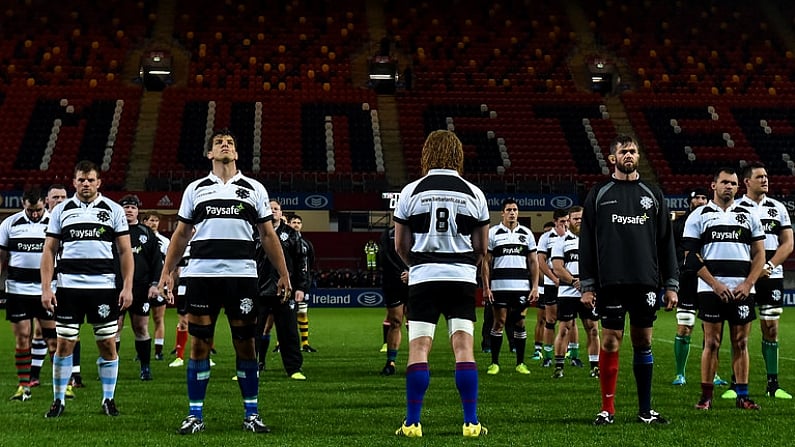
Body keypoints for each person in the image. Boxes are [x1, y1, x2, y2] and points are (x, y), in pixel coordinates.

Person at [157, 128, 291, 435]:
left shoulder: (254, 189)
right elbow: (180, 234)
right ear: (210, 153)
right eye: (219, 143)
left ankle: (252, 415)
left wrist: (284, 273)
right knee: (199, 344)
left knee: (246, 346)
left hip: (242, 276)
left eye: (230, 142)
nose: (225, 145)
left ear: (237, 153)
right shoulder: (196, 189)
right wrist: (167, 271)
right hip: (202, 275)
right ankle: (194, 416)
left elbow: (268, 235)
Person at [393, 129, 490, 438]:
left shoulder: (411, 191)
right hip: (461, 277)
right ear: (457, 155)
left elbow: (399, 244)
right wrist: (464, 266)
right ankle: (471, 422)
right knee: (463, 348)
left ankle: (412, 423)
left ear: (427, 154)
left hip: (423, 278)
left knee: (419, 348)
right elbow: (482, 247)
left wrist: (418, 267)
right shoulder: (474, 192)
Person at [579, 134, 678, 425]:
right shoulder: (599, 193)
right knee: (610, 341)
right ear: (612, 158)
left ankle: (645, 410)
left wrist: (671, 284)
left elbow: (666, 243)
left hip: (645, 281)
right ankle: (607, 409)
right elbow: (586, 242)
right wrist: (587, 284)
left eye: (633, 151)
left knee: (643, 341)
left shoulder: (653, 194)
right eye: (623, 151)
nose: (629, 155)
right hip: (610, 281)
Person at [41, 160, 134, 418]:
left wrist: (127, 287)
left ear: (98, 182)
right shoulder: (61, 211)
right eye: (81, 179)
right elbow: (49, 250)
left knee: (107, 344)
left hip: (103, 288)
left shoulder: (113, 210)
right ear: (74, 182)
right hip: (68, 289)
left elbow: (125, 251)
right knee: (64, 345)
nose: (86, 184)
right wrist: (47, 288)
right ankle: (59, 400)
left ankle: (108, 399)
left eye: (90, 179)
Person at [684, 167, 766, 410]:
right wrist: (715, 284)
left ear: (738, 187)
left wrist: (748, 283)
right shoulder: (699, 215)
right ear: (713, 185)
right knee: (712, 342)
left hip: (743, 290)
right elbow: (690, 256)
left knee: (741, 342)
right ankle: (706, 397)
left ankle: (743, 395)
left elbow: (760, 254)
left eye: (733, 183)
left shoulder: (748, 215)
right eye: (724, 182)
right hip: (710, 290)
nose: (729, 187)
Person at [723, 162, 793, 399]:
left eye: (766, 176)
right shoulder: (736, 208)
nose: (765, 180)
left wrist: (770, 266)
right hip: (744, 278)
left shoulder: (778, 208)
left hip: (771, 277)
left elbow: (788, 243)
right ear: (747, 182)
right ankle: (736, 384)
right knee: (740, 331)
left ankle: (773, 385)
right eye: (760, 177)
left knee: (771, 328)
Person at [0, 189, 56, 402]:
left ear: (44, 204)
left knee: (53, 340)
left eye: (38, 210)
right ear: (23, 204)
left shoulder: (54, 222)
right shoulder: (10, 224)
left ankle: (61, 386)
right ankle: (24, 386)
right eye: (30, 210)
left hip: (47, 290)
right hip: (18, 290)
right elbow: (1, 256)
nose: (34, 214)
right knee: (22, 337)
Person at [482, 198, 539, 376]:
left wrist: (535, 286)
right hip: (499, 287)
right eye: (509, 210)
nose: (512, 212)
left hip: (521, 286)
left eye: (515, 209)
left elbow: (533, 262)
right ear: (503, 213)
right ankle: (494, 363)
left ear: (518, 212)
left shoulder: (526, 233)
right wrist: (486, 287)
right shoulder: (493, 233)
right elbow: (486, 262)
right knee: (499, 322)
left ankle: (520, 363)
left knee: (520, 323)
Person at [255, 200, 309, 380]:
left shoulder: (292, 235)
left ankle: (293, 369)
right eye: (269, 209)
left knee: (289, 331)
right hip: (259, 290)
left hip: (286, 291)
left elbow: (302, 262)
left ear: (281, 213)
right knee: (252, 331)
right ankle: (250, 367)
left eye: (276, 209)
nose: (273, 212)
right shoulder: (255, 232)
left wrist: (301, 286)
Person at [116, 195, 163, 381]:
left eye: (132, 208)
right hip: (117, 287)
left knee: (141, 327)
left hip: (141, 288)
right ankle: (112, 366)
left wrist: (154, 284)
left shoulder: (146, 232)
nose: (129, 210)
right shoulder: (113, 230)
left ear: (137, 211)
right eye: (126, 207)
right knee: (114, 328)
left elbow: (156, 261)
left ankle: (145, 367)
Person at [551, 206, 600, 379]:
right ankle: (558, 367)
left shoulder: (595, 239)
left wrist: (590, 285)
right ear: (569, 220)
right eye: (575, 218)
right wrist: (574, 281)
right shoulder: (561, 241)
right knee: (564, 329)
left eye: (581, 218)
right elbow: (557, 267)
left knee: (593, 329)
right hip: (567, 291)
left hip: (590, 292)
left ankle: (594, 367)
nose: (578, 221)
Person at [29, 184, 67, 389]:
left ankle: (69, 375)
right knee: (40, 330)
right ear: (46, 200)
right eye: (55, 198)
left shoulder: (70, 219)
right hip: (43, 283)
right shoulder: (40, 223)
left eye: (63, 197)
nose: (59, 201)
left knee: (66, 331)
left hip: (65, 283)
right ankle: (36, 374)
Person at [671, 187, 710, 386]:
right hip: (687, 278)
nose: (701, 201)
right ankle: (680, 373)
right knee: (685, 326)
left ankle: (714, 374)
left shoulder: (714, 222)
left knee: (710, 328)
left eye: (704, 198)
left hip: (709, 280)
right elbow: (671, 251)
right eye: (698, 198)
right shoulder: (677, 225)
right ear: (690, 201)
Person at [537, 209, 569, 367]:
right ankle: (548, 356)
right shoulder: (546, 237)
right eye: (562, 221)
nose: (565, 224)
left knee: (569, 320)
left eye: (567, 220)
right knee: (550, 320)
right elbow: (541, 261)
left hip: (570, 285)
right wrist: (554, 279)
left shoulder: (574, 237)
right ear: (555, 221)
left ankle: (571, 353)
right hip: (552, 284)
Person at [378, 224, 409, 376]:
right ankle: (390, 362)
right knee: (395, 321)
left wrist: (412, 271)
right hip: (393, 282)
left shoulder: (422, 228)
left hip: (416, 280)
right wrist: (400, 273)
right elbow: (385, 257)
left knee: (417, 322)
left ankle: (418, 361)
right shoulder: (388, 233)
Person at [143, 211, 170, 361]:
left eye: (156, 221)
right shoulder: (139, 238)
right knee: (142, 320)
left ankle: (158, 351)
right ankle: (142, 350)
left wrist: (167, 284)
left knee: (159, 318)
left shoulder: (164, 241)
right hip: (142, 285)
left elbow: (168, 264)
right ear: (145, 221)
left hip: (159, 284)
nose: (154, 223)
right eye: (151, 220)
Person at [289, 214, 317, 353]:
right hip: (288, 282)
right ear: (289, 224)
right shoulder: (284, 241)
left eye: (298, 222)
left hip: (302, 283)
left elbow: (310, 262)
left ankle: (305, 343)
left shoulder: (307, 244)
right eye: (293, 222)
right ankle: (281, 343)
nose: (296, 224)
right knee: (286, 314)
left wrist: (305, 280)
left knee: (302, 312)